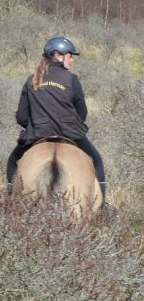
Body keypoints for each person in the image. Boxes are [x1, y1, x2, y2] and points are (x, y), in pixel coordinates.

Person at [6, 36, 107, 201]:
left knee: (12, 161)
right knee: (97, 161)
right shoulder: (72, 79)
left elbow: (22, 117)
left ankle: (9, 199)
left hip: (37, 134)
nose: (72, 60)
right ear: (57, 55)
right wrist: (70, 124)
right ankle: (103, 206)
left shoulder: (31, 80)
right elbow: (82, 113)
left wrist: (36, 124)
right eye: (70, 55)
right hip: (70, 133)